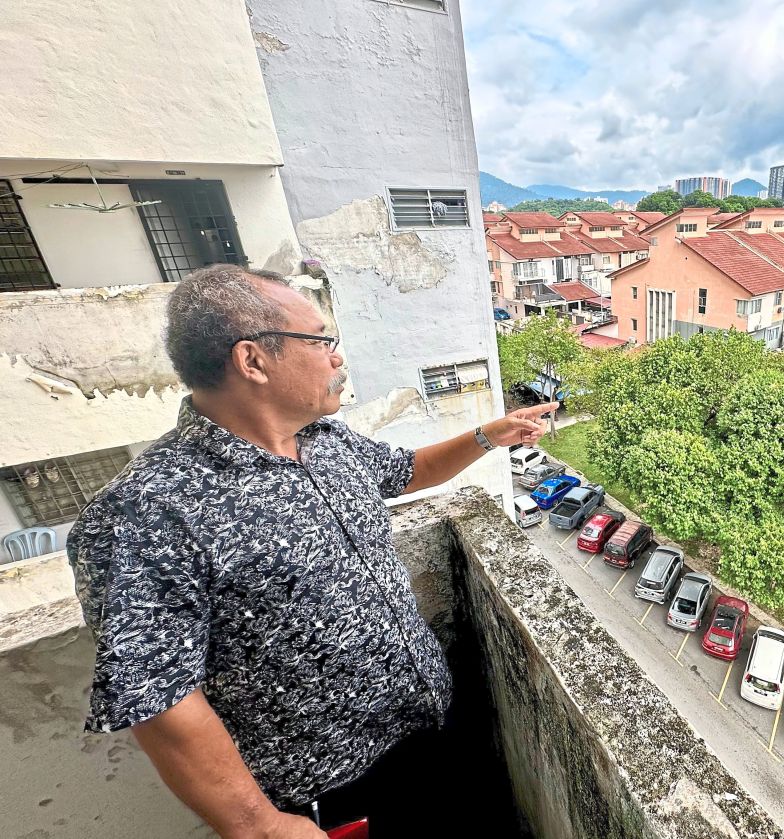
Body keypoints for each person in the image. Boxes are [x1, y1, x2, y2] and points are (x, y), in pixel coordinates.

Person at [68, 264, 556, 838]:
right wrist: (262, 827)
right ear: (252, 361)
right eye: (322, 341)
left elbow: (409, 472)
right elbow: (160, 697)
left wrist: (488, 436)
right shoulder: (144, 512)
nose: (337, 357)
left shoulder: (328, 441)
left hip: (429, 725)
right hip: (332, 786)